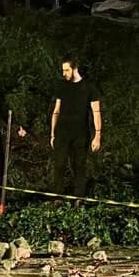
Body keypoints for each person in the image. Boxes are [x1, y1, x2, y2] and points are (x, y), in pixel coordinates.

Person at [50, 57, 102, 198]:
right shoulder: (61, 86)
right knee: (59, 165)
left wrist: (97, 135)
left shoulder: (89, 87)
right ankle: (57, 197)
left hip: (81, 134)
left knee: (79, 166)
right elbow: (56, 110)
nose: (64, 73)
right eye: (63, 70)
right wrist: (52, 134)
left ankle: (79, 197)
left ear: (75, 69)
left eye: (67, 70)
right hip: (62, 132)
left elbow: (96, 112)